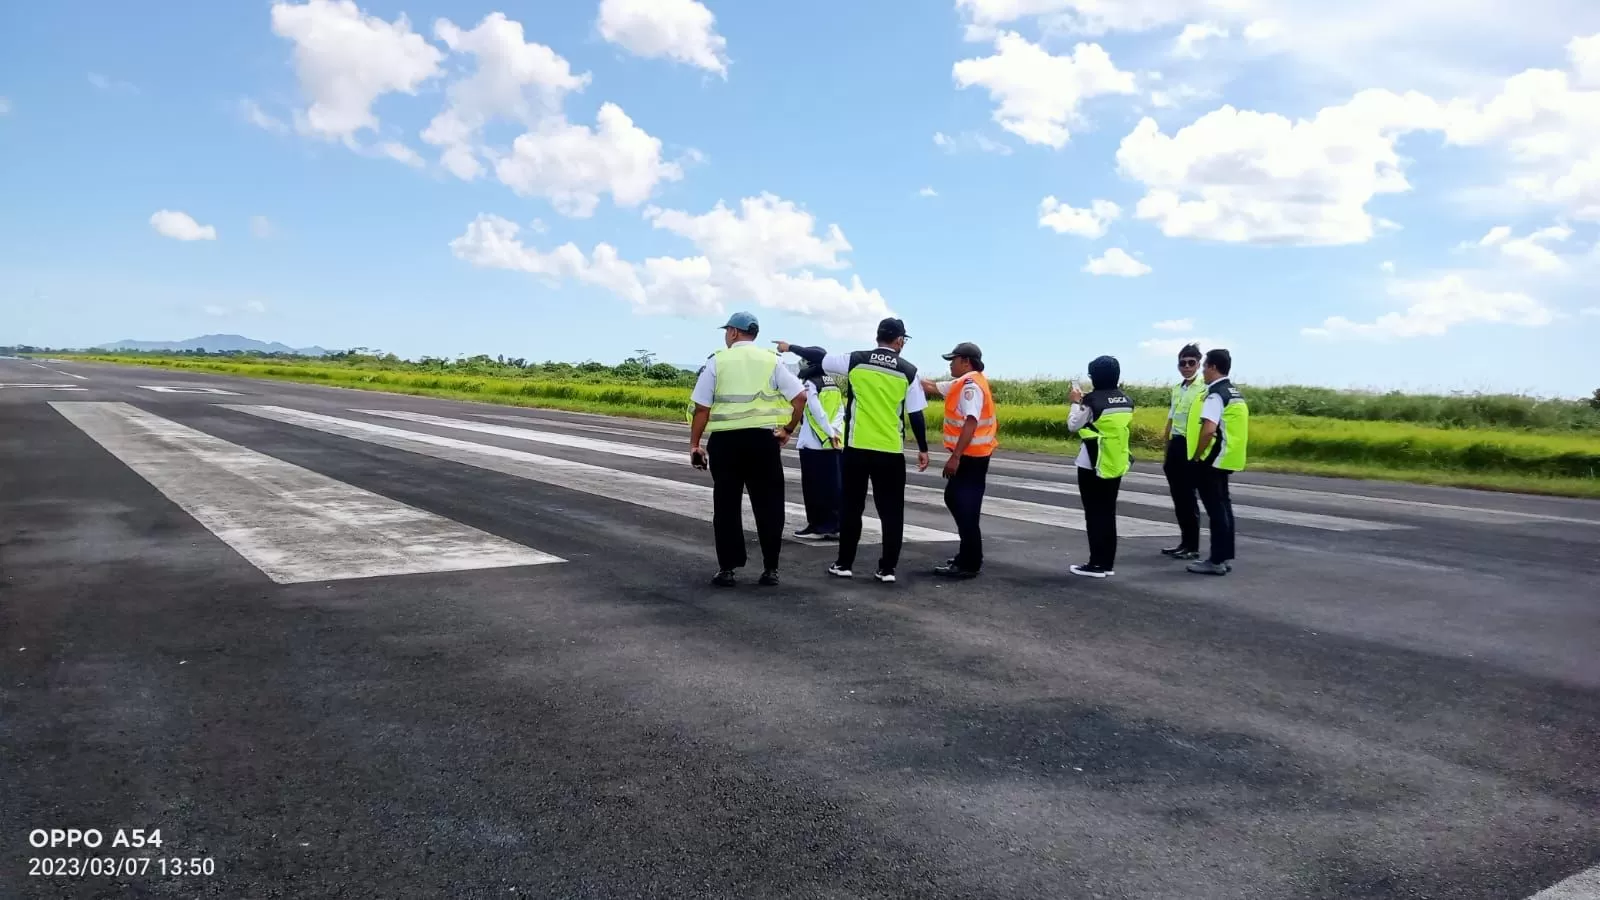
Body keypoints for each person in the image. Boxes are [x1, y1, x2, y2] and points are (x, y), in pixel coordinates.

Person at [774, 317, 930, 584]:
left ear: (877, 336)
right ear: (900, 341)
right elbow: (916, 415)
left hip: (857, 448)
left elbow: (820, 356)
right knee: (891, 512)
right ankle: (887, 569)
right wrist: (923, 449)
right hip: (890, 450)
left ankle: (844, 563)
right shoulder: (909, 371)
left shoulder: (857, 360)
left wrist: (791, 348)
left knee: (851, 508)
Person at [687, 312, 808, 588]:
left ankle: (728, 569)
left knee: (727, 505)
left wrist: (695, 444)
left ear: (732, 332)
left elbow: (702, 408)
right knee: (769, 505)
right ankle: (771, 569)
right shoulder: (772, 360)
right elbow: (800, 397)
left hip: (726, 444)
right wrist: (788, 429)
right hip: (763, 443)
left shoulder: (717, 361)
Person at [920, 342, 996, 578]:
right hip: (975, 455)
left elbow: (971, 422)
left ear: (966, 361)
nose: (950, 364)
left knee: (963, 506)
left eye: (953, 360)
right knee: (961, 503)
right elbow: (931, 386)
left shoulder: (969, 386)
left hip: (971, 457)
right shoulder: (963, 382)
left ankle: (970, 562)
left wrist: (955, 457)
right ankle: (969, 556)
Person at [1067, 355, 1134, 578]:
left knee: (1093, 513)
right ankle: (1107, 562)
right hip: (1116, 460)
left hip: (1092, 463)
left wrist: (1076, 401)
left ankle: (1096, 563)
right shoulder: (1126, 400)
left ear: (1094, 376)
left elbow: (1073, 425)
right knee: (1108, 512)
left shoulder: (1090, 401)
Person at [1185, 348, 1249, 576]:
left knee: (1216, 510)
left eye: (1204, 367)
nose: (1203, 371)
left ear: (1213, 367)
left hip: (1212, 458)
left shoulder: (1215, 395)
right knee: (1224, 508)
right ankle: (1224, 555)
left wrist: (1196, 457)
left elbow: (1208, 430)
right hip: (1229, 456)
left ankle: (1216, 560)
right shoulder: (1234, 393)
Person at [1160, 344, 1206, 560]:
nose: (1186, 367)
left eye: (1191, 363)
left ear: (1199, 363)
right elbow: (1171, 417)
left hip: (1191, 445)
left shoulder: (1204, 388)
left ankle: (1193, 545)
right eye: (1183, 363)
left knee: (1188, 497)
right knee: (1178, 497)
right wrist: (1166, 445)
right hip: (1176, 444)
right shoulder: (1177, 388)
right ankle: (1184, 542)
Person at [794, 361, 845, 540]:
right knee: (833, 487)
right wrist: (835, 431)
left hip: (814, 442)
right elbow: (840, 410)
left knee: (813, 488)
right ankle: (834, 525)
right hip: (834, 443)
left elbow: (816, 411)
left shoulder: (811, 384)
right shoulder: (833, 383)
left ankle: (818, 526)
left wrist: (828, 433)